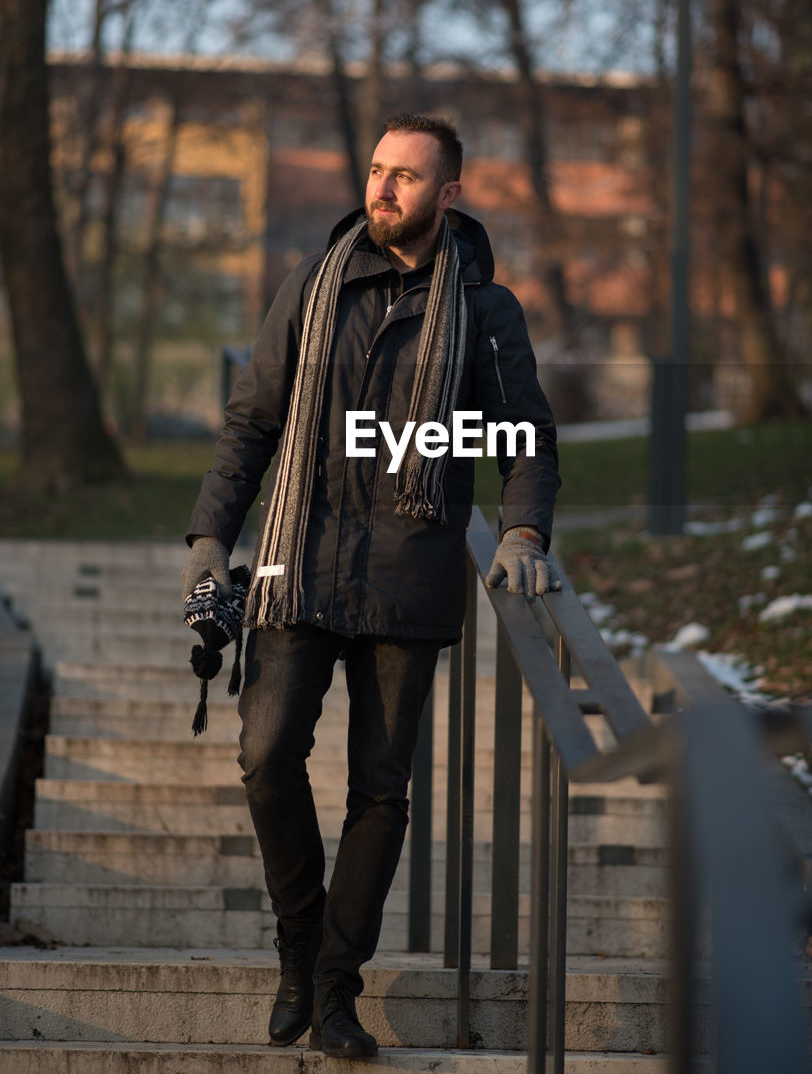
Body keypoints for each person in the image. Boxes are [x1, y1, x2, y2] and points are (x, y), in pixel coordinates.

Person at [182, 112, 562, 1059]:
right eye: (379, 169)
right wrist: (206, 542)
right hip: (294, 566)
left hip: (409, 576)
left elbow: (528, 438)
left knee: (380, 793)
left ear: (448, 193)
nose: (384, 187)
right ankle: (299, 943)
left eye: (407, 176)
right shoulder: (312, 287)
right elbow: (249, 426)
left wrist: (521, 529)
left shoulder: (488, 310)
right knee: (267, 757)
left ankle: (336, 989)